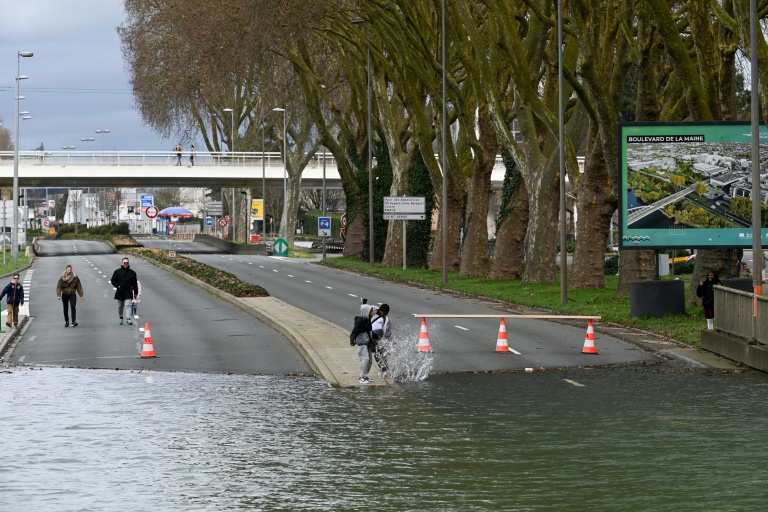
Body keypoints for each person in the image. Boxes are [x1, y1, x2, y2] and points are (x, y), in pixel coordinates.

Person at [350, 303, 377, 383]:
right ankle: (361, 377)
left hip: (368, 343)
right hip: (362, 343)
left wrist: (376, 336)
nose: (372, 313)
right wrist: (352, 339)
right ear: (366, 312)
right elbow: (354, 332)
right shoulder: (359, 322)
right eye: (371, 312)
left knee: (370, 361)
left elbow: (369, 332)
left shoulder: (368, 320)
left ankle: (365, 376)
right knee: (365, 359)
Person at [111, 257, 138, 326]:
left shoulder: (132, 273)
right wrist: (118, 286)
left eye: (127, 263)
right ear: (122, 263)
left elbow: (135, 284)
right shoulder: (117, 272)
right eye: (124, 263)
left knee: (128, 305)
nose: (126, 264)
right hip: (120, 291)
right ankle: (121, 317)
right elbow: (113, 280)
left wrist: (136, 293)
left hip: (128, 291)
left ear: (129, 263)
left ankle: (128, 318)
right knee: (120, 306)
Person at [371, 303, 392, 375]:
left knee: (376, 353)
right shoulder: (375, 311)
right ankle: (384, 369)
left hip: (380, 334)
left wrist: (388, 341)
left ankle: (384, 369)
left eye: (386, 313)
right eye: (383, 313)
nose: (384, 315)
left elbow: (387, 332)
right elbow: (369, 308)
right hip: (374, 333)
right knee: (377, 353)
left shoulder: (387, 320)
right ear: (380, 310)